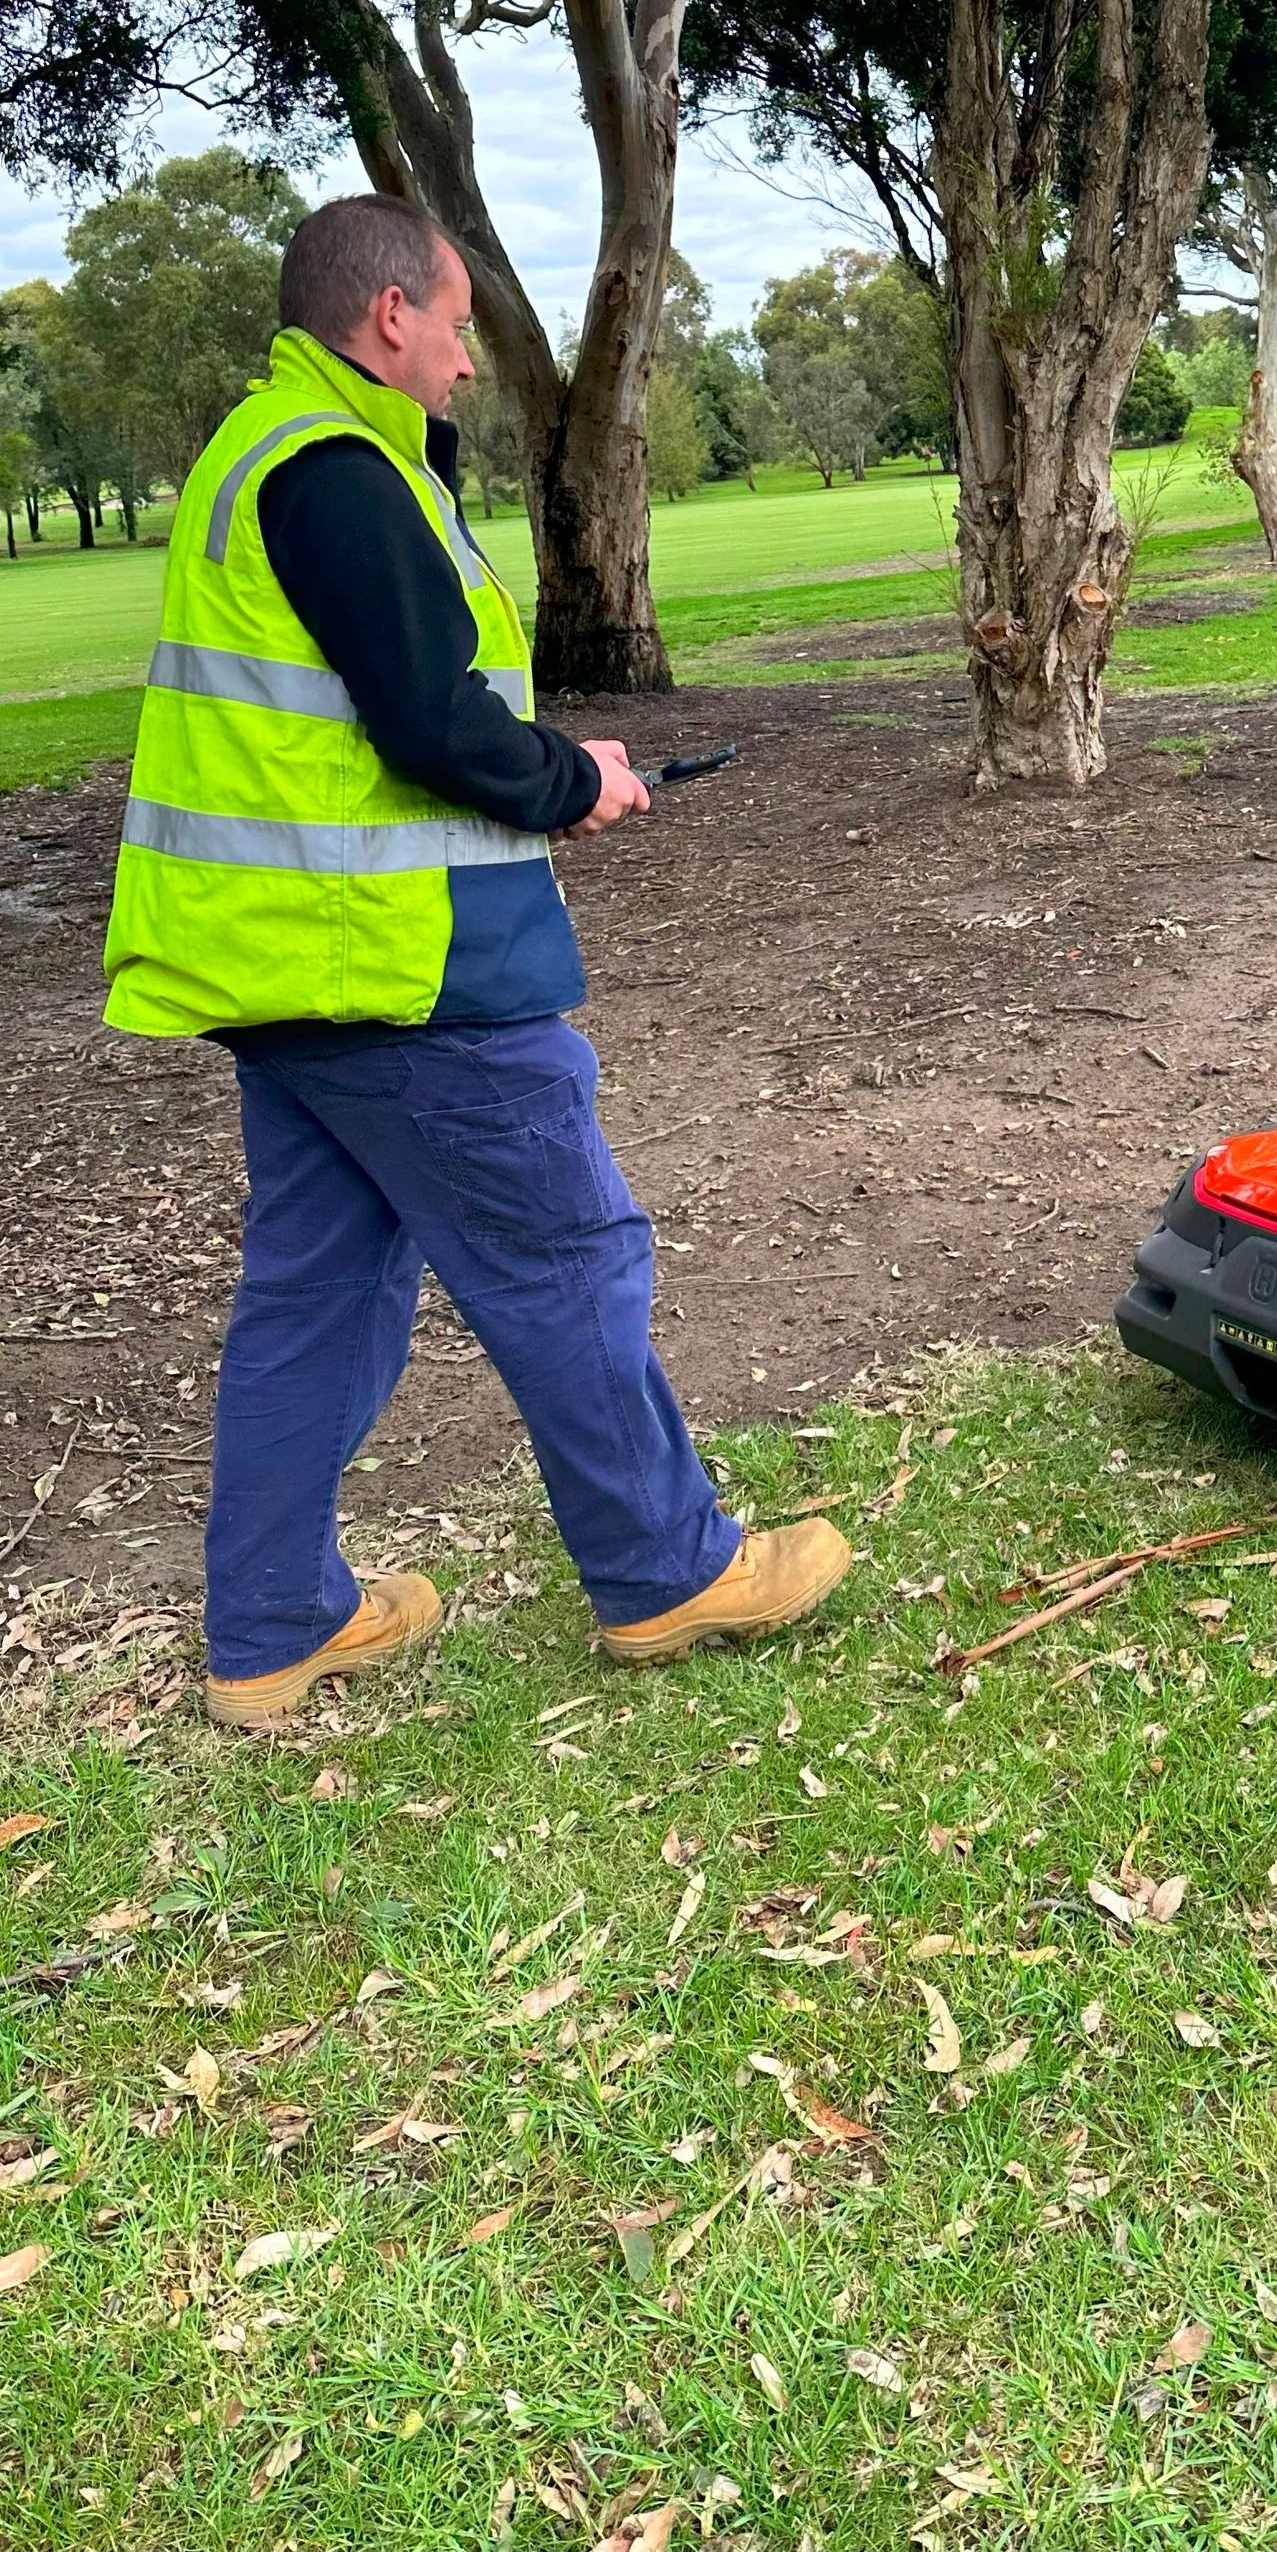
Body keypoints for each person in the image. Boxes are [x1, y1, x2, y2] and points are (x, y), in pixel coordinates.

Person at [102, 193, 851, 1728]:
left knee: (318, 1297)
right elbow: (427, 724)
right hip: (402, 973)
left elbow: (375, 719)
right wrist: (574, 781)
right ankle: (665, 1568)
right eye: (452, 328)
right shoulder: (339, 470)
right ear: (389, 317)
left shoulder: (267, 454)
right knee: (567, 1255)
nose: (462, 362)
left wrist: (559, 763)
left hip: (292, 976)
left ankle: (270, 1629)